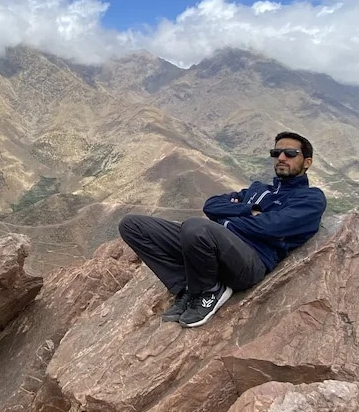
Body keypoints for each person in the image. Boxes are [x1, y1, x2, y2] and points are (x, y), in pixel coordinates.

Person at [118, 131, 326, 328]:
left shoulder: (310, 199)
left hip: (251, 262)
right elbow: (212, 205)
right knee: (132, 225)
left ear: (307, 162)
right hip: (214, 246)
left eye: (290, 153)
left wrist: (227, 221)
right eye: (276, 152)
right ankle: (188, 288)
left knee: (195, 227)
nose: (281, 157)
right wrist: (248, 210)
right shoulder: (258, 190)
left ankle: (210, 290)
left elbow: (270, 227)